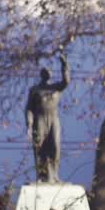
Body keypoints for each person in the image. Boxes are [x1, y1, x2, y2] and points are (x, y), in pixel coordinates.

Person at [25, 55, 69, 184]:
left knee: (55, 147)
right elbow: (29, 108)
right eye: (45, 72)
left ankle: (54, 175)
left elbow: (66, 81)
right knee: (39, 148)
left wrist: (64, 65)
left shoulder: (56, 88)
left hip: (53, 119)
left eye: (49, 72)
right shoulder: (35, 90)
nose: (47, 74)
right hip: (40, 120)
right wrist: (29, 124)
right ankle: (41, 176)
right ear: (42, 75)